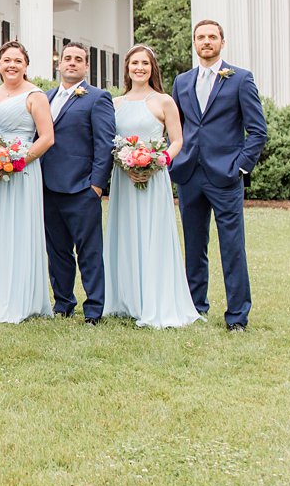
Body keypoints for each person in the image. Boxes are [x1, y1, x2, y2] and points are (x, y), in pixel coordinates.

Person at [169, 19, 268, 331]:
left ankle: (237, 316)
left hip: (225, 175)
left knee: (232, 247)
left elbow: (258, 131)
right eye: (201, 37)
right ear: (195, 43)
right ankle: (196, 308)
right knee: (194, 247)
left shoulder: (240, 78)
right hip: (189, 175)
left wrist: (240, 166)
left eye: (212, 37)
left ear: (222, 42)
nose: (206, 41)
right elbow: (177, 128)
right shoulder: (182, 82)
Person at [105, 44, 199, 328]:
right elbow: (112, 143)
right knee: (126, 233)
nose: (139, 68)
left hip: (154, 177)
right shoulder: (116, 103)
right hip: (124, 179)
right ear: (127, 68)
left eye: (145, 63)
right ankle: (127, 299)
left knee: (152, 234)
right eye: (135, 63)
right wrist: (126, 164)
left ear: (152, 68)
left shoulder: (164, 101)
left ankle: (155, 300)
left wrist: (157, 162)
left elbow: (178, 141)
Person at [0, 40, 55, 323]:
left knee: (16, 230)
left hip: (22, 172)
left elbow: (47, 138)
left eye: (18, 60)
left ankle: (17, 298)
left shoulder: (35, 96)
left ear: (26, 65)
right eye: (6, 60)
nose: (12, 65)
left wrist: (18, 162)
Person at [42, 43, 116, 324]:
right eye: (67, 59)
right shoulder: (45, 97)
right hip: (49, 187)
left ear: (86, 67)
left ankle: (94, 308)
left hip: (82, 188)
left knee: (89, 252)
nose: (72, 63)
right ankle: (63, 303)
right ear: (58, 64)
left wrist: (96, 186)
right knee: (57, 251)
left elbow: (105, 143)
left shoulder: (98, 98)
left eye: (78, 60)